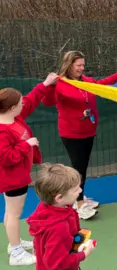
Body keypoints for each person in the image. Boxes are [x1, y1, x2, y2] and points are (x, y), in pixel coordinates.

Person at [42, 51, 117, 220]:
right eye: (78, 65)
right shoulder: (60, 83)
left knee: (82, 167)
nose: (82, 68)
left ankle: (79, 197)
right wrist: (49, 85)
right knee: (78, 168)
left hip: (88, 131)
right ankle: (78, 204)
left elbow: (100, 85)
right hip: (72, 133)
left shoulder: (86, 81)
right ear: (69, 65)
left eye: (83, 65)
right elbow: (47, 101)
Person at [0, 73, 58, 266]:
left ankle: (13, 243)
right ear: (10, 108)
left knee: (11, 212)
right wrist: (27, 144)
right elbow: (6, 158)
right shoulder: (3, 130)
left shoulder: (13, 118)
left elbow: (30, 100)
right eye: (19, 103)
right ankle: (16, 253)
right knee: (14, 214)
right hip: (12, 178)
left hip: (17, 176)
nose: (22, 104)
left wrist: (45, 84)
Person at [26, 163, 96, 270]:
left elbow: (40, 239)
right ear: (59, 198)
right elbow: (57, 264)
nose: (80, 191)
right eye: (76, 189)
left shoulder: (44, 207)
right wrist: (84, 254)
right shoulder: (59, 227)